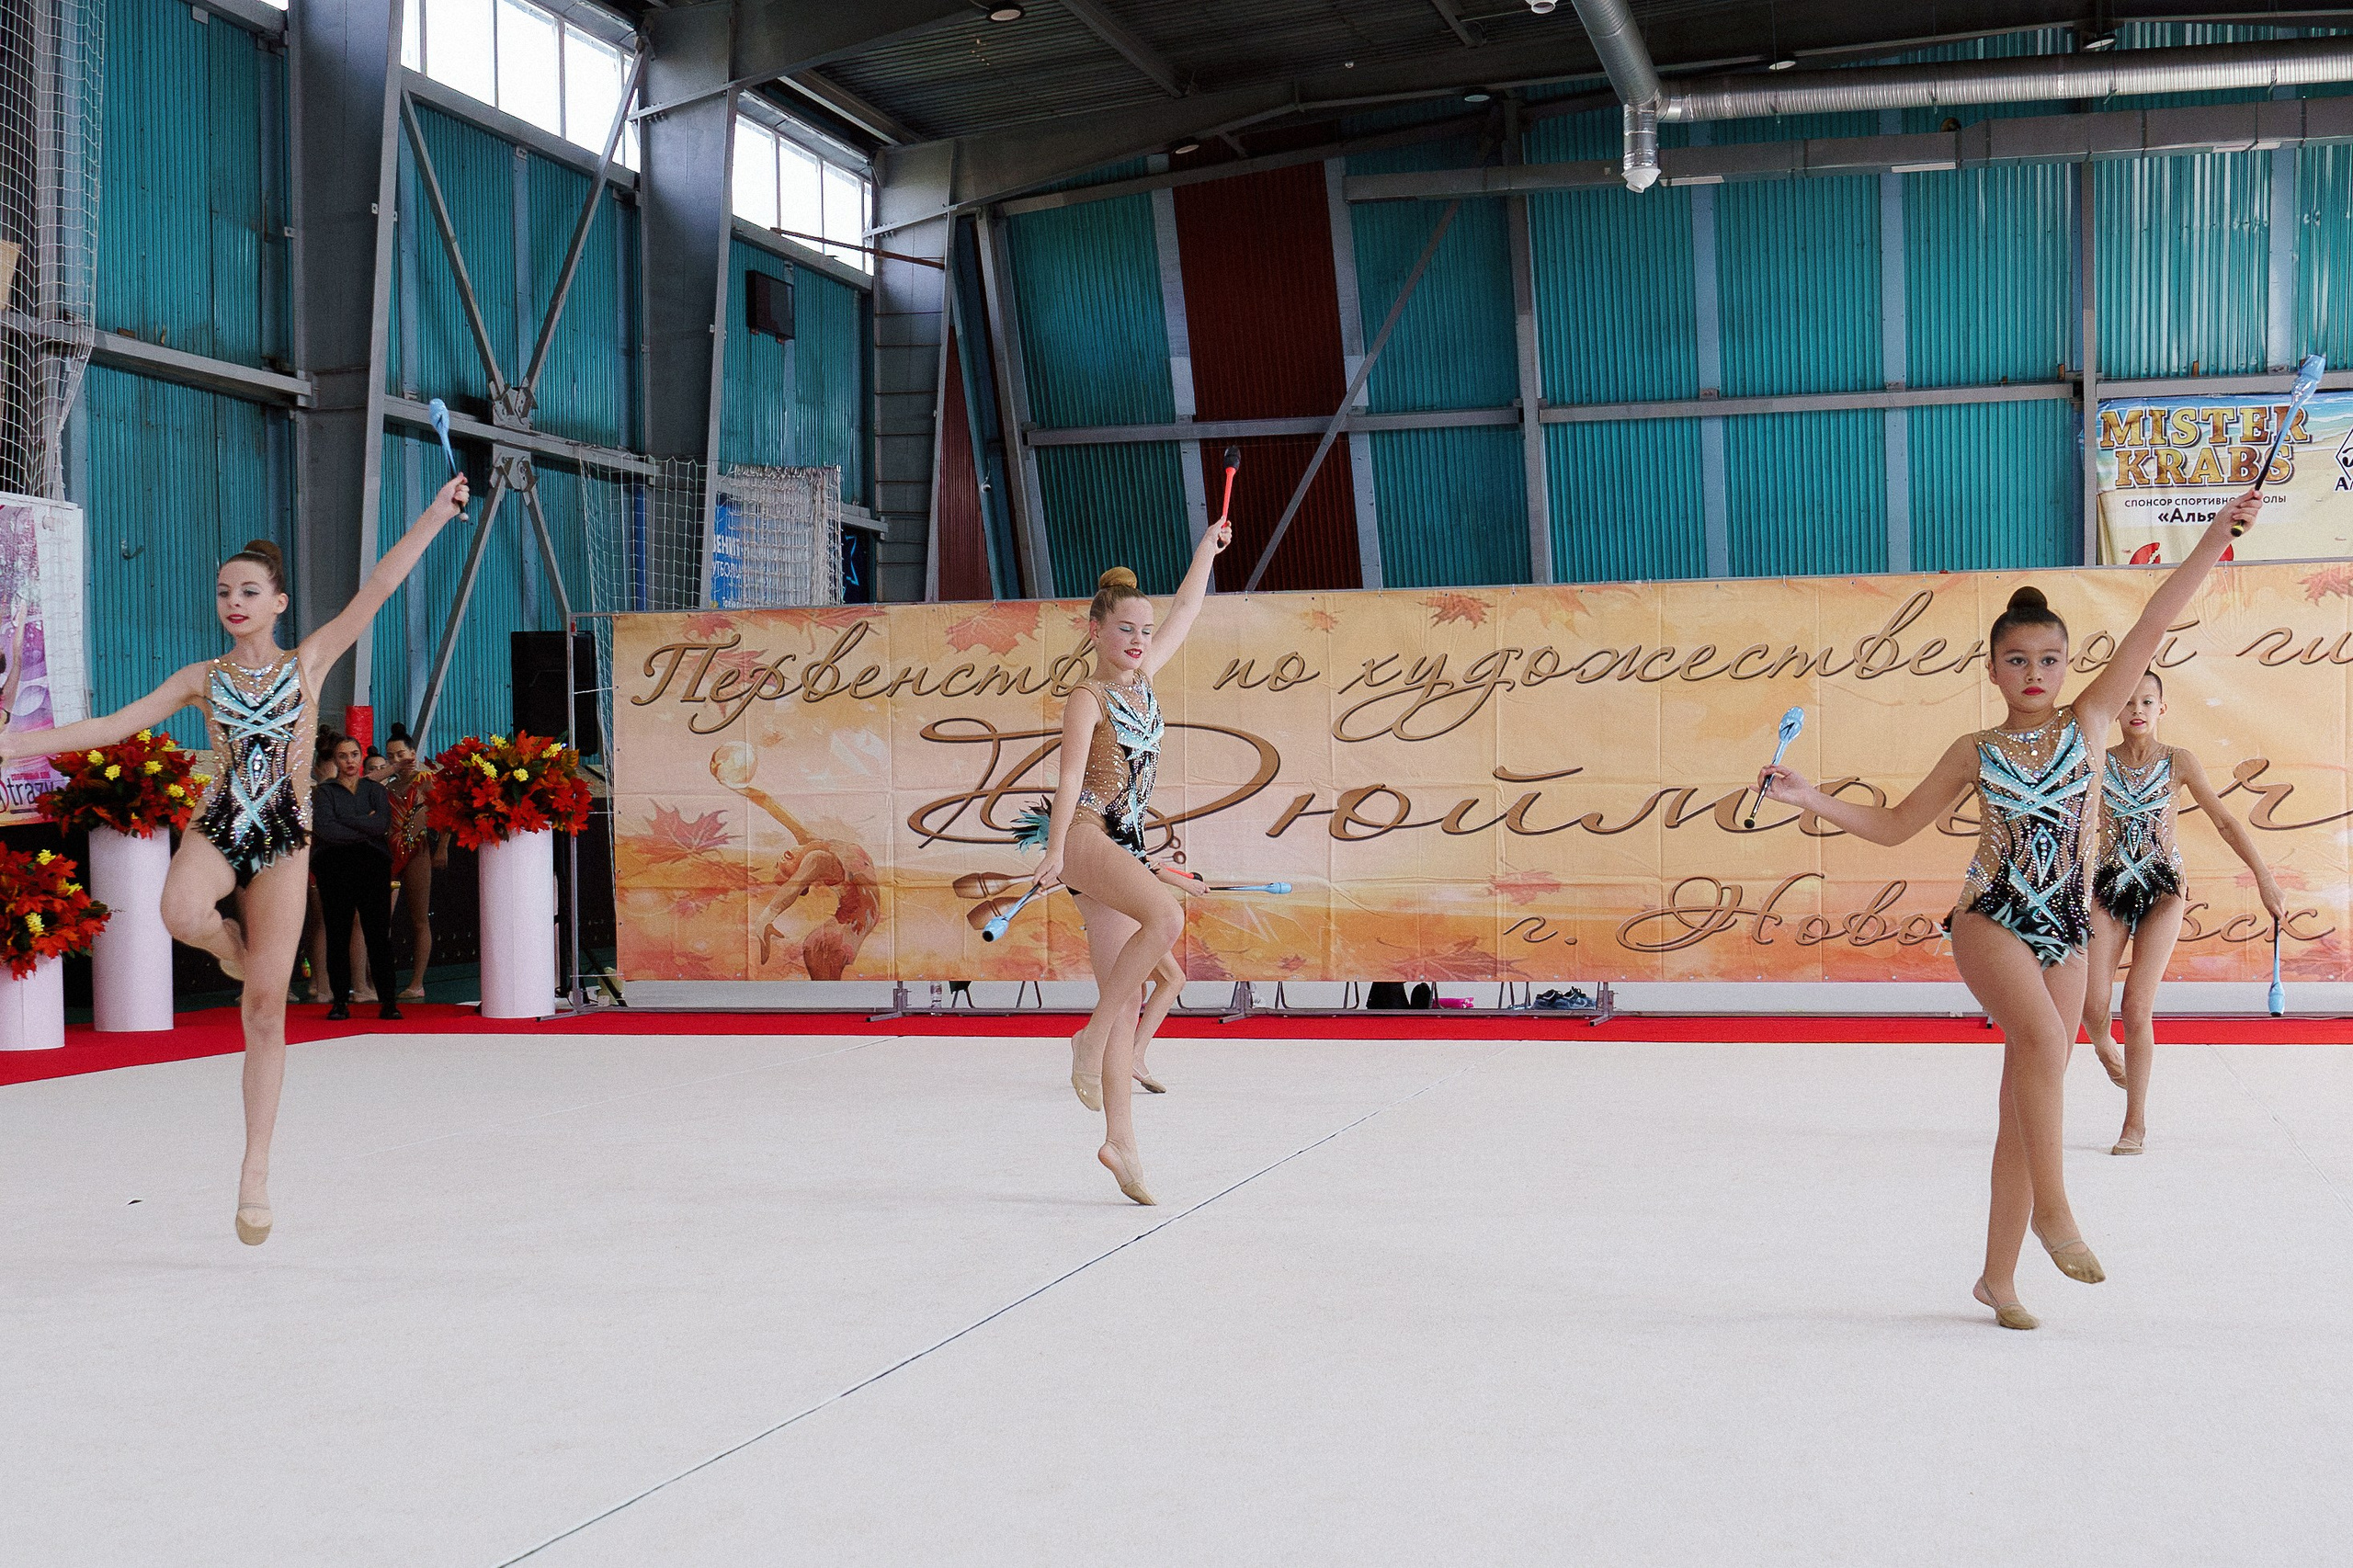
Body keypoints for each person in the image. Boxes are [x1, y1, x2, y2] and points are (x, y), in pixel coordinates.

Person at [1757, 488, 2257, 1330]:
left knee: (2026, 1102)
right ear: (1993, 671)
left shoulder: (2093, 720)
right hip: (1991, 916)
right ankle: (2055, 1214)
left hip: (2064, 928)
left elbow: (2156, 620)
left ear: (2069, 667)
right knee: (2037, 1044)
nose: (2035, 674)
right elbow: (1890, 828)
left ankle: (1998, 1280)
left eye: (2050, 660)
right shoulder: (1974, 750)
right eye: (2018, 661)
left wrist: (2212, 538)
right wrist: (1811, 799)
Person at [0, 474, 471, 1244]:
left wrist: (435, 514)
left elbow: (381, 585)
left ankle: (254, 1172)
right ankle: (227, 947)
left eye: (249, 591)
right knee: (179, 911)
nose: (234, 602)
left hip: (286, 839)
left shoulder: (310, 662)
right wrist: (17, 741)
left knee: (265, 1008)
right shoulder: (201, 679)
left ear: (278, 603)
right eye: (224, 592)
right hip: (222, 822)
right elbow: (116, 724)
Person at [1030, 521, 1230, 1207]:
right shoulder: (1088, 698)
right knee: (1167, 919)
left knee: (1129, 1001)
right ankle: (1086, 1043)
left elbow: (1188, 610)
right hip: (1089, 836)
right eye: (1125, 630)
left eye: (1143, 630)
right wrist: (1056, 852)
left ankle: (1122, 1142)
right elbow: (1066, 780)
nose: (1140, 639)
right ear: (1095, 631)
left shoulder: (1144, 679)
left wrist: (1204, 549)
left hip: (1125, 847)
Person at [2081, 670, 2285, 1155]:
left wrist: (2264, 876)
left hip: (2164, 891)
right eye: (2129, 701)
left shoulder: (2179, 762)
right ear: (2115, 711)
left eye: (2147, 701)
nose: (2137, 709)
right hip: (2110, 887)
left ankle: (2135, 1124)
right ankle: (2109, 1052)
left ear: (2161, 709)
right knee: (2090, 1004)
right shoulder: (2097, 763)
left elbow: (2225, 821)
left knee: (2135, 1006)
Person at [313, 733, 400, 1023]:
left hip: (373, 867)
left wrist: (347, 821)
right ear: (335, 760)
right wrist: (364, 824)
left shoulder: (374, 790)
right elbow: (327, 829)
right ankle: (340, 1001)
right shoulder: (324, 792)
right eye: (343, 756)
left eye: (353, 754)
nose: (349, 761)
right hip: (334, 869)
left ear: (360, 757)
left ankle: (389, 1001)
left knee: (378, 936)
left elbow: (382, 824)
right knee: (337, 934)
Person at [384, 725, 443, 1001]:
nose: (396, 761)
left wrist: (442, 849)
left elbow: (446, 816)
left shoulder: (427, 781)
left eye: (400, 754)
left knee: (420, 919)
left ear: (412, 753)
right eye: (391, 757)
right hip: (390, 854)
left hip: (418, 851)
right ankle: (376, 980)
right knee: (382, 920)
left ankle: (417, 982)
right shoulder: (389, 786)